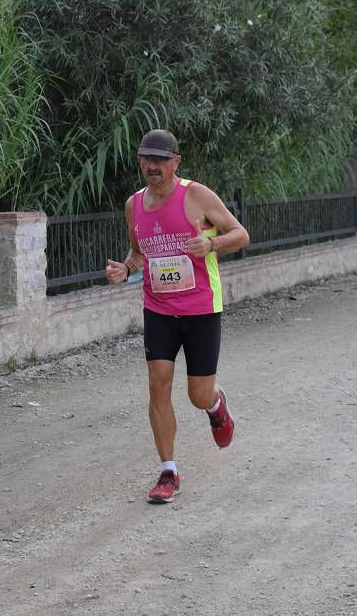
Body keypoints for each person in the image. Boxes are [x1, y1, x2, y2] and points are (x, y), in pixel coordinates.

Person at [105, 129, 250, 503]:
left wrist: (212, 243)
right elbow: (139, 254)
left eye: (160, 159)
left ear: (175, 162)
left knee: (198, 395)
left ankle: (216, 406)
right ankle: (168, 471)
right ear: (139, 162)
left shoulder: (196, 196)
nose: (152, 166)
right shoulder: (133, 204)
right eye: (146, 159)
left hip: (201, 308)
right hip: (158, 308)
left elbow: (241, 234)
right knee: (158, 384)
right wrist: (126, 269)